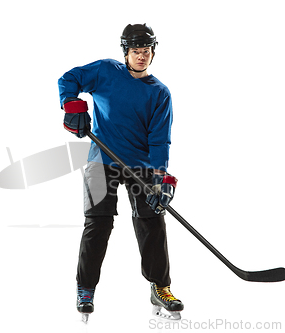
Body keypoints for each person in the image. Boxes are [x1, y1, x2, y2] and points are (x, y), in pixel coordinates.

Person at [58, 23, 183, 322]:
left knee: (152, 222)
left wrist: (160, 177)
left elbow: (159, 139)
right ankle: (85, 288)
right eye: (135, 51)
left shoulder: (160, 93)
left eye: (146, 51)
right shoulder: (105, 72)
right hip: (102, 160)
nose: (141, 56)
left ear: (153, 52)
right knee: (97, 224)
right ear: (125, 52)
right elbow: (69, 78)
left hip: (141, 165)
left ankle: (160, 287)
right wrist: (72, 105)